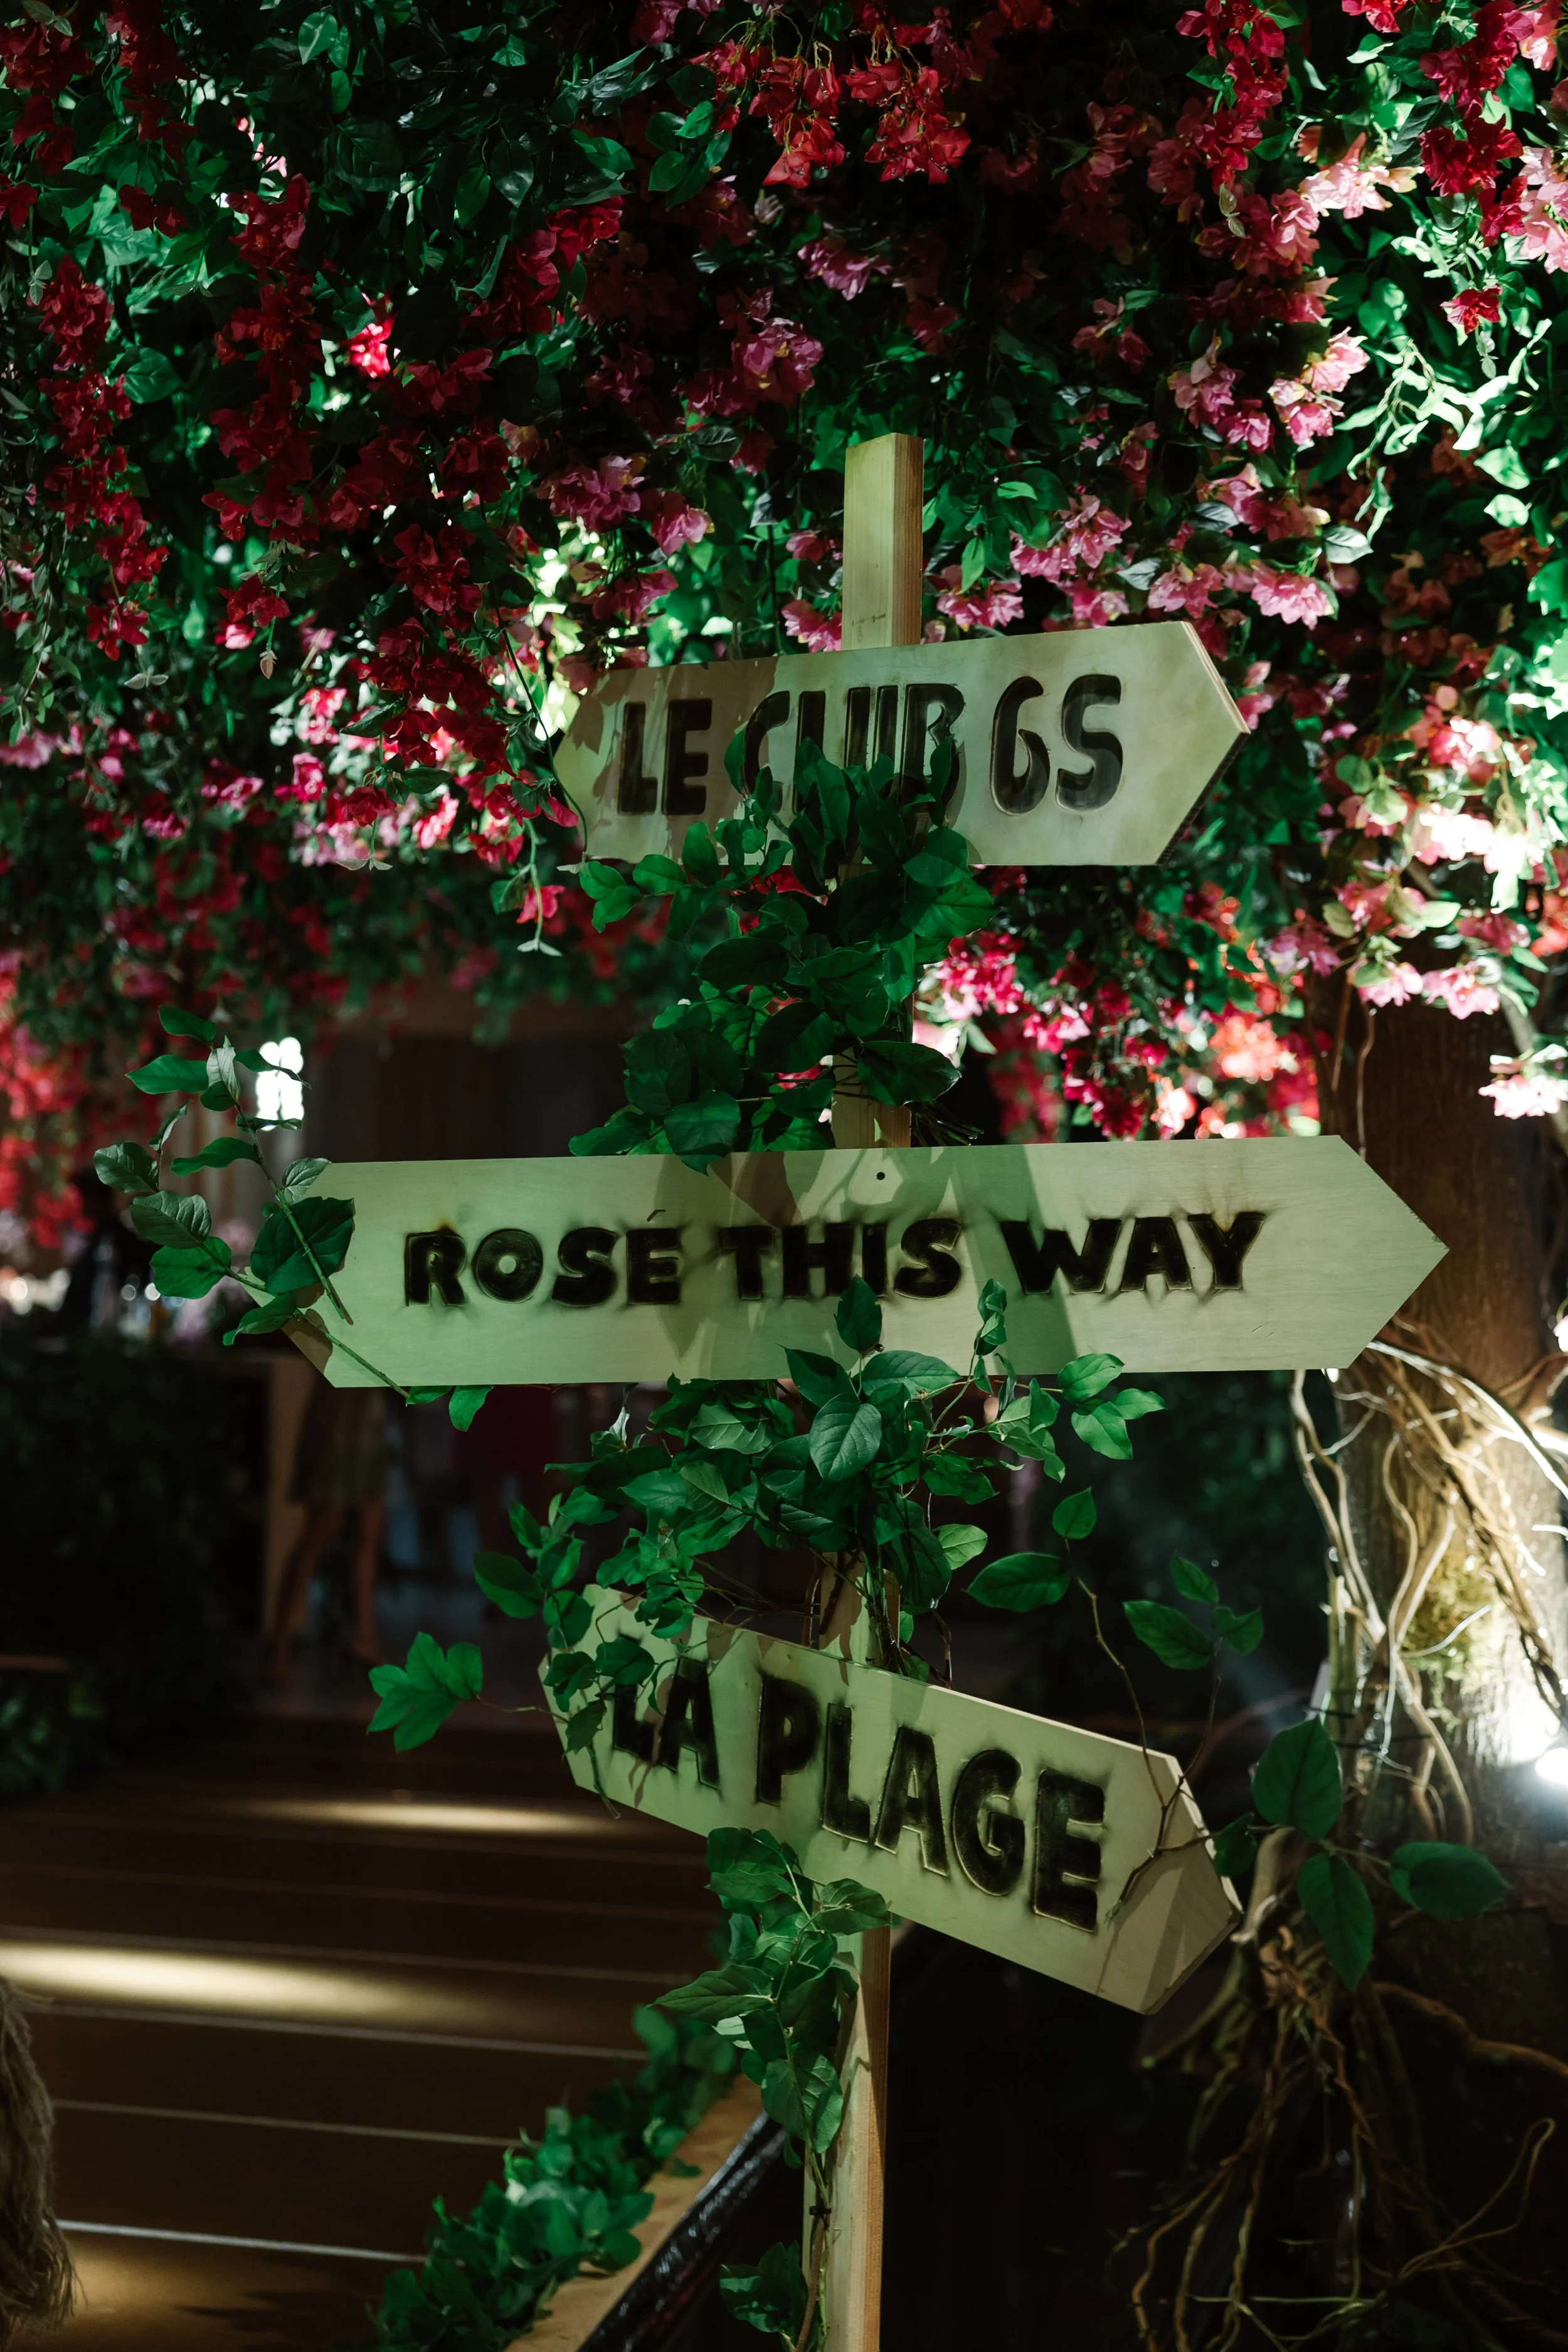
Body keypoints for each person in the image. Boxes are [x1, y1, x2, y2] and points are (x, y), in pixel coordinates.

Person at [266, 1379, 388, 1684]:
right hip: (337, 1417)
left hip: (369, 1418)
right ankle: (279, 1642)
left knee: (368, 1531)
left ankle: (365, 1636)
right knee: (323, 1527)